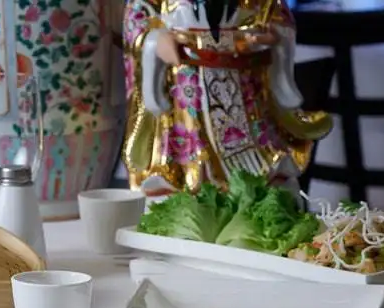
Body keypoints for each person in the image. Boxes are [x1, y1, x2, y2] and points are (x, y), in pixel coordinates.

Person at [121, 0, 332, 195]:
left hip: (246, 88)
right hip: (186, 91)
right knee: (187, 169)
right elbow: (137, 18)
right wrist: (154, 41)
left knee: (263, 175)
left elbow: (277, 14)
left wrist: (272, 34)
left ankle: (256, 189)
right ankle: (188, 189)